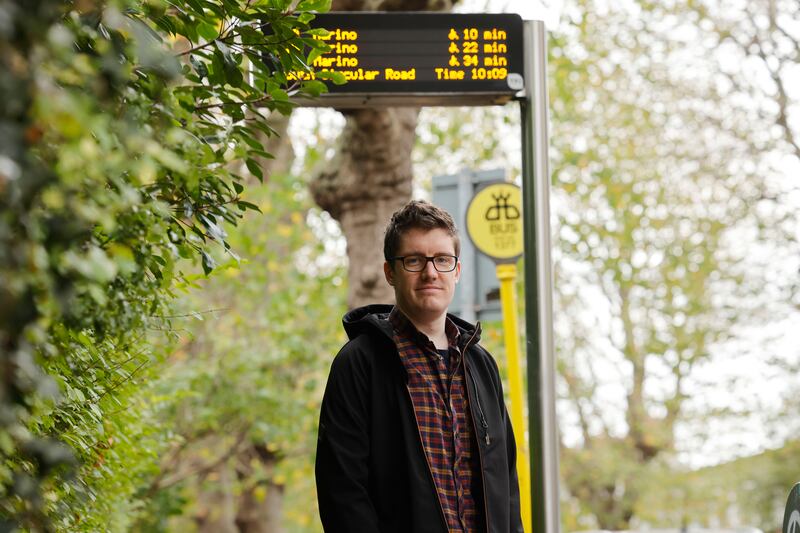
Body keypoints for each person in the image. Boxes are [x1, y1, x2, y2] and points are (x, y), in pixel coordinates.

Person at [315, 200, 523, 533]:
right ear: (390, 272)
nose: (430, 272)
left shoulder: (480, 365)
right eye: (414, 260)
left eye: (442, 260)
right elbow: (342, 490)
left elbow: (506, 483)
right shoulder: (359, 362)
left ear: (456, 270)